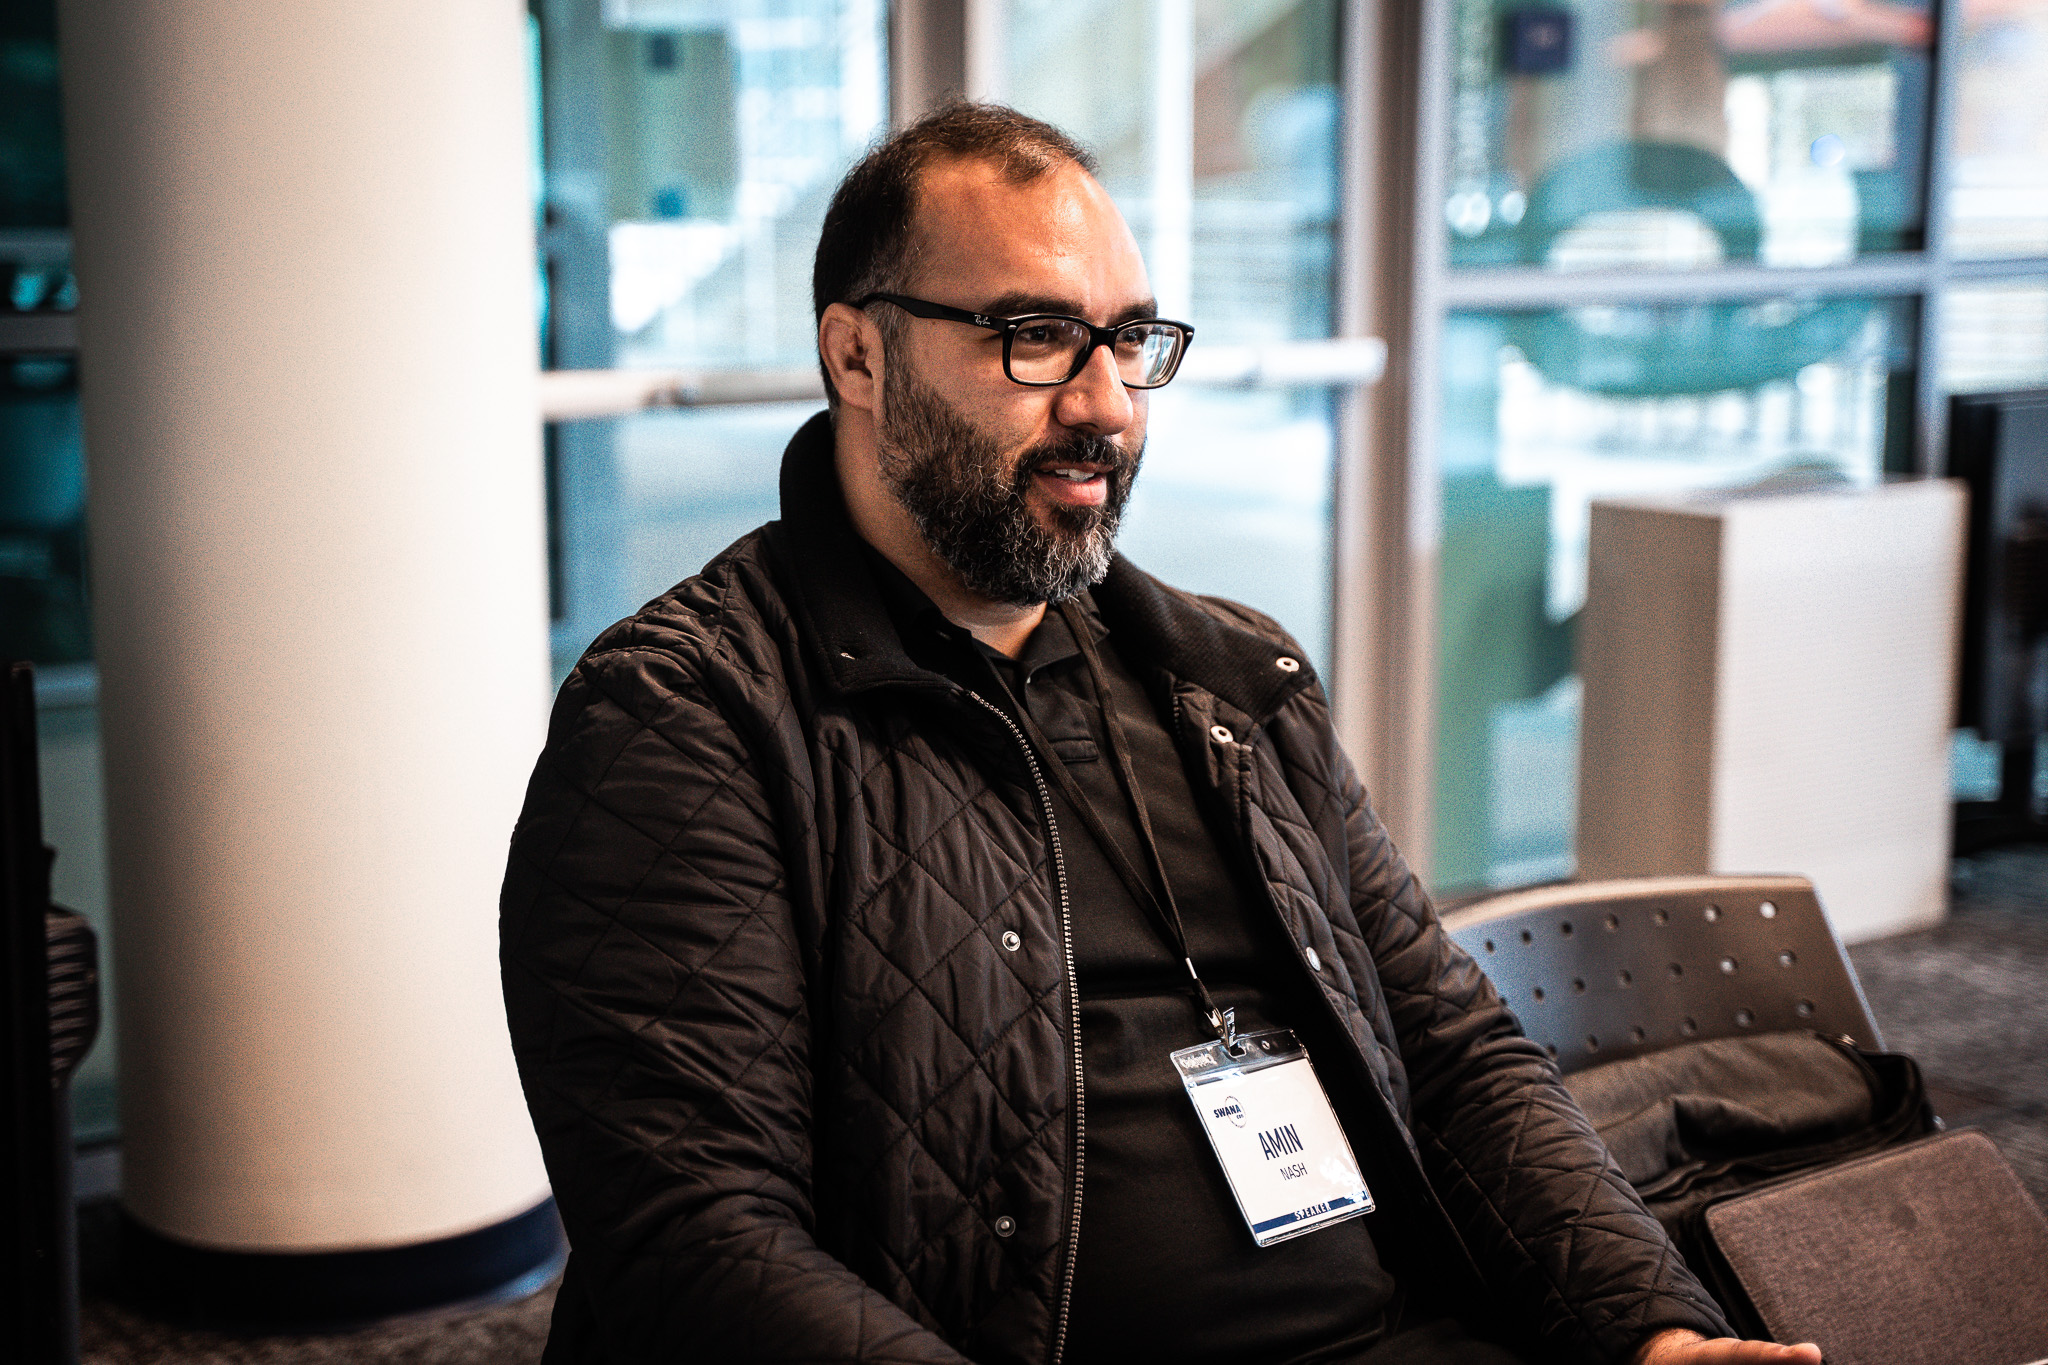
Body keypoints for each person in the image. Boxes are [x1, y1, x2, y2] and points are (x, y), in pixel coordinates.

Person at [500, 104, 1820, 1365]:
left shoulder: (1232, 682)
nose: (1109, 405)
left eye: (1129, 341)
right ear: (857, 357)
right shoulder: (689, 719)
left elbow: (1451, 1051)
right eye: (1035, 337)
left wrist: (1652, 1330)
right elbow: (696, 1238)